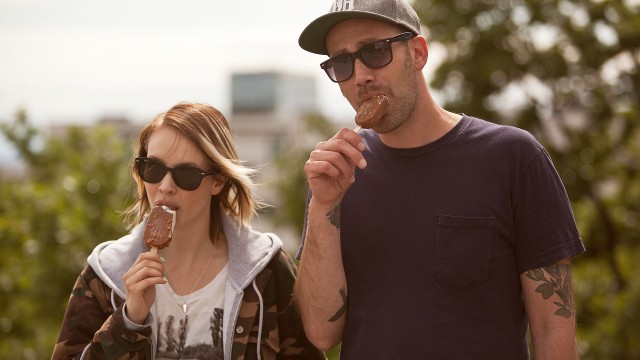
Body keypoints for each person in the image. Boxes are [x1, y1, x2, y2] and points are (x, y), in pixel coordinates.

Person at [294, 0, 586, 359]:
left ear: (417, 53)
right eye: (341, 62)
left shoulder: (512, 157)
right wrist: (323, 205)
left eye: (374, 51)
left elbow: (552, 326)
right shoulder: (338, 176)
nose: (359, 76)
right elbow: (322, 333)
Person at [52, 102, 325, 360]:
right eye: (153, 168)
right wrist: (128, 321)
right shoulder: (105, 275)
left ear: (217, 181)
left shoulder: (267, 270)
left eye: (186, 174)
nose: (166, 186)